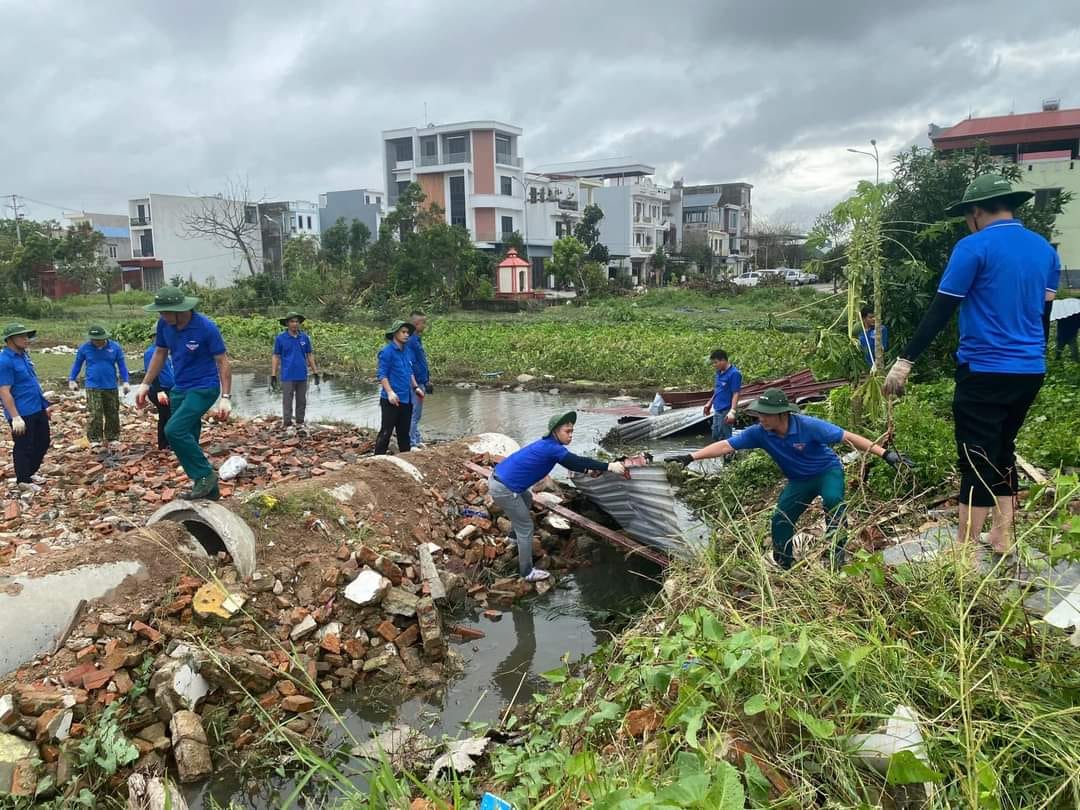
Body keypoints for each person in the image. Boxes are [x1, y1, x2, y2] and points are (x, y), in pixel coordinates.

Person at [883, 175, 1059, 554]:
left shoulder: (973, 247)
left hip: (985, 368)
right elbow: (1043, 317)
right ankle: (1001, 536)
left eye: (968, 215)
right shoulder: (1045, 250)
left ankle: (963, 552)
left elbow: (941, 309)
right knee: (1002, 449)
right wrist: (1035, 356)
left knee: (976, 456)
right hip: (1030, 369)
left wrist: (905, 360)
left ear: (977, 212)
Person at [669, 388, 912, 570]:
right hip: (799, 481)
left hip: (827, 472)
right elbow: (726, 446)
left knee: (833, 500)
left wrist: (885, 454)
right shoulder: (760, 433)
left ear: (781, 414)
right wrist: (691, 457)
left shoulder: (808, 426)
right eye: (758, 414)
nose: (760, 419)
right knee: (781, 519)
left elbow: (848, 437)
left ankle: (836, 555)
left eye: (765, 415)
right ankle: (784, 563)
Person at [490, 412, 627, 582]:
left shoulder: (547, 445)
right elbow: (575, 461)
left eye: (572, 431)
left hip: (500, 480)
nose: (570, 435)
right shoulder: (552, 448)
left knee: (526, 499)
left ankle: (512, 537)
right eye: (566, 431)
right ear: (555, 431)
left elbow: (573, 463)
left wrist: (587, 470)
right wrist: (609, 466)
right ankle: (527, 572)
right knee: (526, 528)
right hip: (504, 489)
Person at [135, 286, 233, 501]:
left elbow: (223, 361)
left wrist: (225, 398)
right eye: (160, 312)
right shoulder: (164, 324)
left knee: (174, 430)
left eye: (166, 312)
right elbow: (160, 353)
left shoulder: (206, 328)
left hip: (204, 387)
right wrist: (145, 384)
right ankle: (210, 494)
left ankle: (205, 475)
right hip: (180, 388)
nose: (162, 316)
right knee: (188, 438)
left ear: (181, 310)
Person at [0, 323, 50, 494]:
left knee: (43, 441)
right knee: (23, 445)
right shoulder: (4, 361)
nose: (26, 339)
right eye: (21, 336)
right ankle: (23, 479)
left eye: (27, 336)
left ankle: (29, 472)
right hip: (21, 411)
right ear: (10, 340)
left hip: (36, 406)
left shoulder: (23, 356)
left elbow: (31, 381)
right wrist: (15, 417)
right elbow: (4, 391)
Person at [68, 324, 130, 448]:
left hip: (111, 385)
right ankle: (95, 438)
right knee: (95, 412)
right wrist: (72, 380)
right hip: (93, 385)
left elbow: (122, 365)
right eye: (94, 340)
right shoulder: (85, 348)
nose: (96, 342)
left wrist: (126, 381)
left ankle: (112, 437)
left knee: (112, 412)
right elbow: (77, 364)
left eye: (99, 339)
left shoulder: (115, 347)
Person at [374, 320, 422, 455]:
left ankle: (405, 459)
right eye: (403, 332)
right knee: (386, 431)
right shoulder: (387, 352)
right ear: (395, 333)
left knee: (404, 433)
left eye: (408, 332)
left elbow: (409, 371)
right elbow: (382, 374)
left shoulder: (407, 351)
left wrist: (415, 387)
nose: (407, 335)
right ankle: (377, 460)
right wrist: (389, 392)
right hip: (391, 399)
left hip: (406, 398)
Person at [271, 311, 318, 430]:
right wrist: (273, 375)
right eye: (292, 321)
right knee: (287, 400)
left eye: (297, 321)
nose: (295, 324)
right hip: (287, 375)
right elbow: (276, 356)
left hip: (302, 374)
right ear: (287, 323)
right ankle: (287, 423)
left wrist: (315, 372)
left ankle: (300, 423)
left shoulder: (305, 338)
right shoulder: (280, 338)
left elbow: (309, 355)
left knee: (302, 400)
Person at [143, 335, 175, 451]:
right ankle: (166, 444)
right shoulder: (151, 352)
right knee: (167, 415)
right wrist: (159, 390)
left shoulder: (166, 351)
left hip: (169, 388)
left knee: (166, 415)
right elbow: (151, 372)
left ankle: (165, 444)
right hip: (159, 389)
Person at [702, 349, 742, 443]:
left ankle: (729, 455)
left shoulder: (734, 374)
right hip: (717, 408)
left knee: (725, 436)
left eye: (716, 362)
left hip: (726, 410)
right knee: (716, 434)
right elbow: (718, 390)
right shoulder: (719, 372)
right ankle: (721, 455)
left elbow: (736, 393)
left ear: (723, 360)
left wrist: (732, 411)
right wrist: (709, 403)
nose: (714, 365)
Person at [407, 310, 431, 448]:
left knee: (416, 413)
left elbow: (420, 362)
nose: (425, 326)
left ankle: (415, 438)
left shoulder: (416, 339)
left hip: (421, 381)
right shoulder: (410, 341)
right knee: (414, 413)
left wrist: (427, 379)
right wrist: (415, 385)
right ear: (416, 324)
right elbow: (410, 365)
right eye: (423, 323)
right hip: (414, 383)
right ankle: (411, 443)